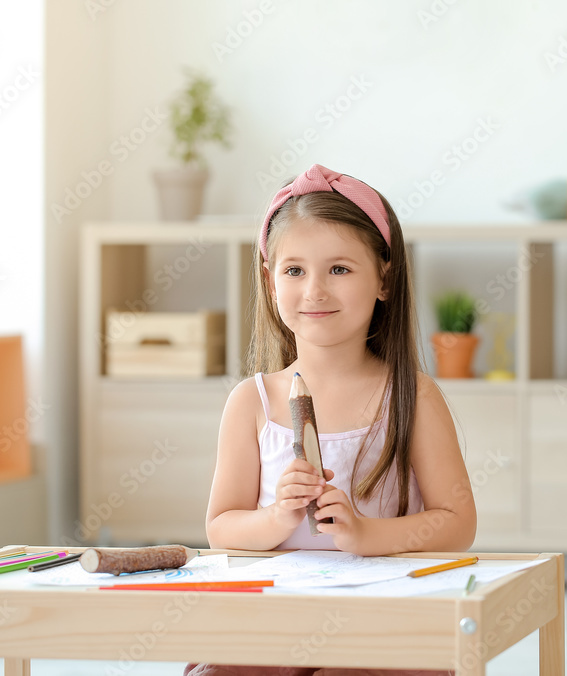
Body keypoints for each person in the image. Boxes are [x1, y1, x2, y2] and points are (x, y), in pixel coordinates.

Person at [185, 164, 476, 676]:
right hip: (273, 620)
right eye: (294, 270)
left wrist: (367, 535)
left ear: (384, 279)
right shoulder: (252, 401)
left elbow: (457, 523)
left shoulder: (410, 396)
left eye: (339, 269)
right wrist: (277, 518)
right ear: (269, 280)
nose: (314, 290)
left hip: (382, 620)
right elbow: (221, 528)